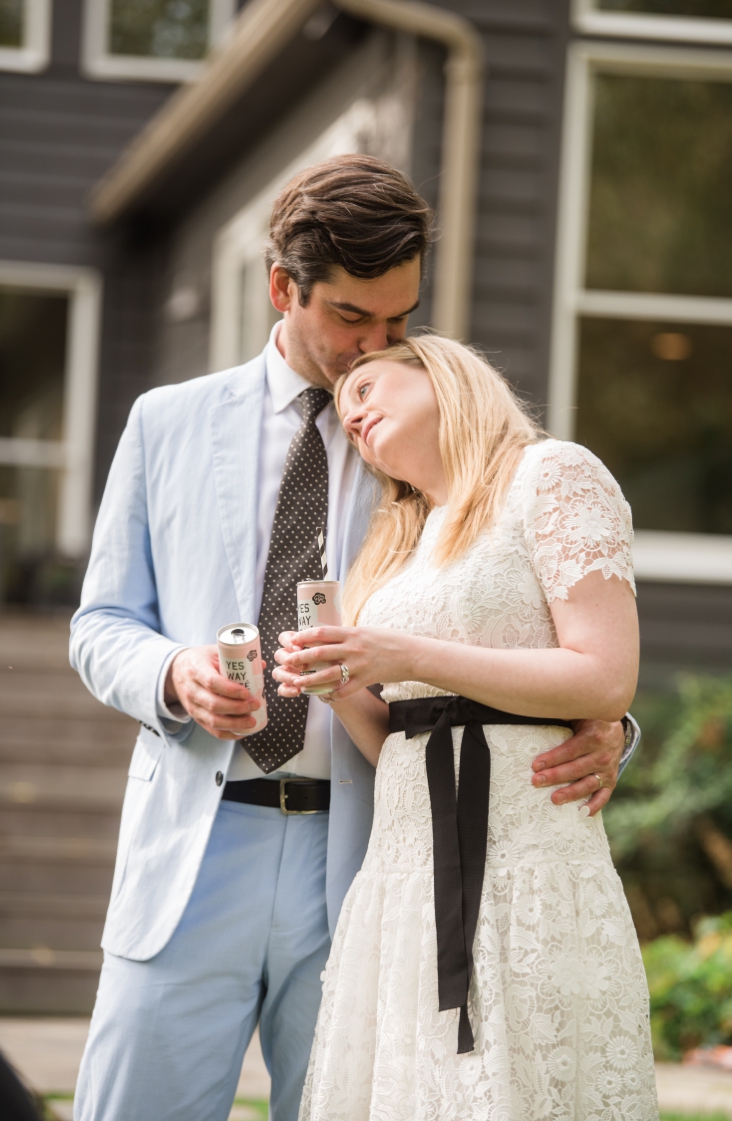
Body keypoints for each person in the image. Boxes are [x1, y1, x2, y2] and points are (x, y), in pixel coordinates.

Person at [69, 156, 633, 1121]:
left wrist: (603, 731)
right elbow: (100, 624)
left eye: (399, 322)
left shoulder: (426, 439)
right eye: (350, 320)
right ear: (283, 289)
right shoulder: (164, 424)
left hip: (373, 851)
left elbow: (519, 599)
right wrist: (173, 672)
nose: (373, 346)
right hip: (198, 843)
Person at [283, 334, 656, 1117]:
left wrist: (400, 648)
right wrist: (341, 684)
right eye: (344, 407)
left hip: (525, 854)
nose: (353, 413)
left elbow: (607, 675)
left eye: (368, 388)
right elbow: (402, 737)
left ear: (442, 375)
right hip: (406, 866)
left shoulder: (551, 474)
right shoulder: (402, 532)